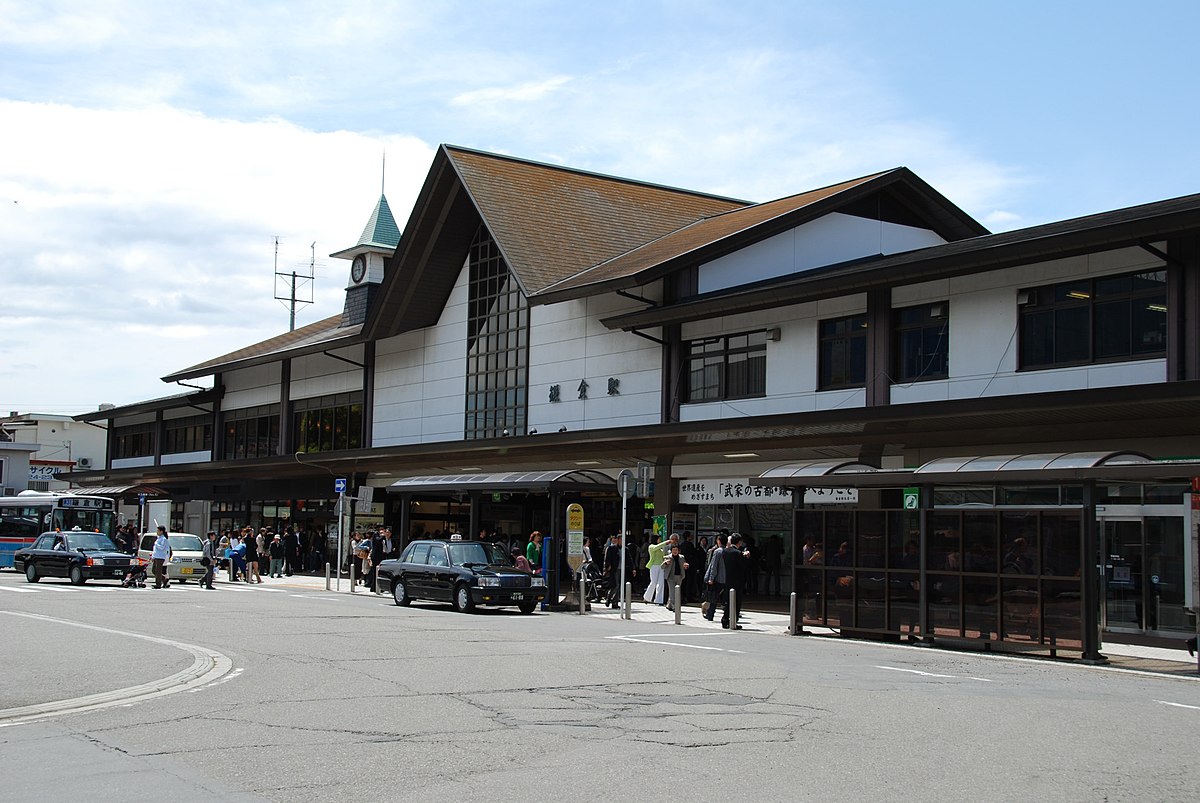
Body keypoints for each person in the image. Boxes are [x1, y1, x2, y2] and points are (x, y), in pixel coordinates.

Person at [721, 533, 748, 629]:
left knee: (728, 601)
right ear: (739, 542)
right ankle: (733, 621)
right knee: (736, 602)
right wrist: (745, 556)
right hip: (738, 581)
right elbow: (743, 566)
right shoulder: (738, 553)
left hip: (728, 580)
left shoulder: (725, 551)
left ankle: (725, 619)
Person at [703, 533, 728, 621]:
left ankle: (710, 615)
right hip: (726, 578)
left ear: (719, 541)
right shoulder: (728, 551)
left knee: (713, 598)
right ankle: (727, 615)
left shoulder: (717, 551)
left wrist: (711, 578)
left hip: (717, 578)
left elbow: (713, 566)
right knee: (725, 598)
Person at [663, 542, 689, 611]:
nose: (675, 551)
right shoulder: (667, 557)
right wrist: (665, 563)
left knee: (677, 592)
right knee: (672, 592)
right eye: (673, 550)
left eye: (676, 550)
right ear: (671, 551)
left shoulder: (682, 557)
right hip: (670, 577)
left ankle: (669, 605)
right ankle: (675, 607)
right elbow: (662, 566)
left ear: (678, 551)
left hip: (679, 577)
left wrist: (686, 566)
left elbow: (684, 565)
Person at [642, 533, 665, 605]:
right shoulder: (651, 546)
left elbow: (663, 555)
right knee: (653, 582)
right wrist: (666, 542)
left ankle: (659, 600)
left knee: (661, 583)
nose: (659, 540)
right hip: (654, 566)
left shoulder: (660, 548)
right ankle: (647, 597)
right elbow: (656, 547)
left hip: (661, 566)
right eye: (658, 538)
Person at [150, 525, 172, 589]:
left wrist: (156, 544)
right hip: (156, 556)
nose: (157, 532)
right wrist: (153, 556)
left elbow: (162, 547)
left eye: (158, 530)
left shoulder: (164, 539)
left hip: (160, 556)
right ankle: (164, 579)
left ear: (161, 531)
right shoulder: (159, 538)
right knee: (154, 570)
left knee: (158, 571)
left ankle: (158, 584)